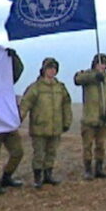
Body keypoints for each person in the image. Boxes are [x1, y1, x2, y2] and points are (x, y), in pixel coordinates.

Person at [20, 57, 72, 188]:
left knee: (51, 152)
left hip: (56, 126)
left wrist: (67, 121)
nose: (52, 71)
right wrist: (18, 118)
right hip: (39, 127)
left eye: (54, 69)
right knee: (39, 154)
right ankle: (38, 178)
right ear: (43, 70)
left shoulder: (60, 87)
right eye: (49, 68)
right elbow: (25, 103)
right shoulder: (35, 88)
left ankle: (48, 175)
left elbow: (66, 104)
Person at [0, 47, 26, 194]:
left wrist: (14, 57)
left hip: (8, 122)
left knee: (18, 152)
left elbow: (18, 70)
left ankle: (7, 177)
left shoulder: (6, 81)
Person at [74, 52, 106, 179]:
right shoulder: (87, 75)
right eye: (99, 63)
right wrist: (94, 76)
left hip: (103, 118)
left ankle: (99, 168)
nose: (102, 66)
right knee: (87, 145)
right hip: (89, 118)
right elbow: (77, 80)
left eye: (104, 64)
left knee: (100, 145)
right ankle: (88, 170)